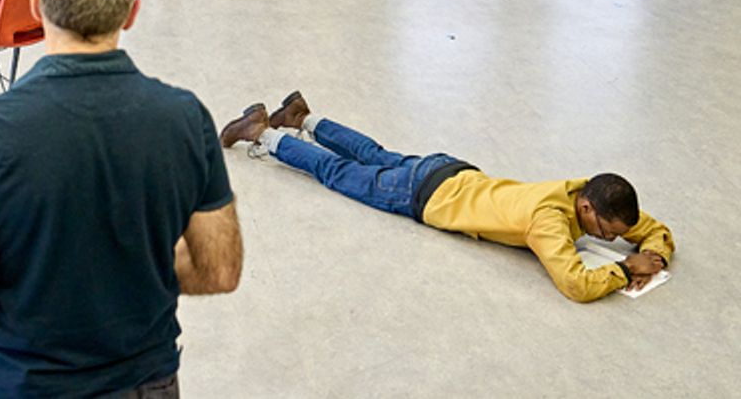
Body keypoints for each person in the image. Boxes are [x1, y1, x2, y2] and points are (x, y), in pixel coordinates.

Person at [0, 0, 243, 396]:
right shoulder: (184, 118)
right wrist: (140, 257)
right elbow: (219, 269)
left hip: (20, 385)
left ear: (36, 3)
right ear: (132, 13)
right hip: (143, 384)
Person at [220, 92, 675, 302]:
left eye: (617, 239)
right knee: (340, 173)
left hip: (447, 168)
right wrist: (621, 270)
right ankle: (264, 133)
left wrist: (651, 250)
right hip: (420, 196)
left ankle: (303, 116)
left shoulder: (583, 189)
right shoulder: (549, 222)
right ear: (586, 209)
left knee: (376, 153)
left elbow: (649, 227)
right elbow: (575, 283)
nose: (614, 241)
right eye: (607, 233)